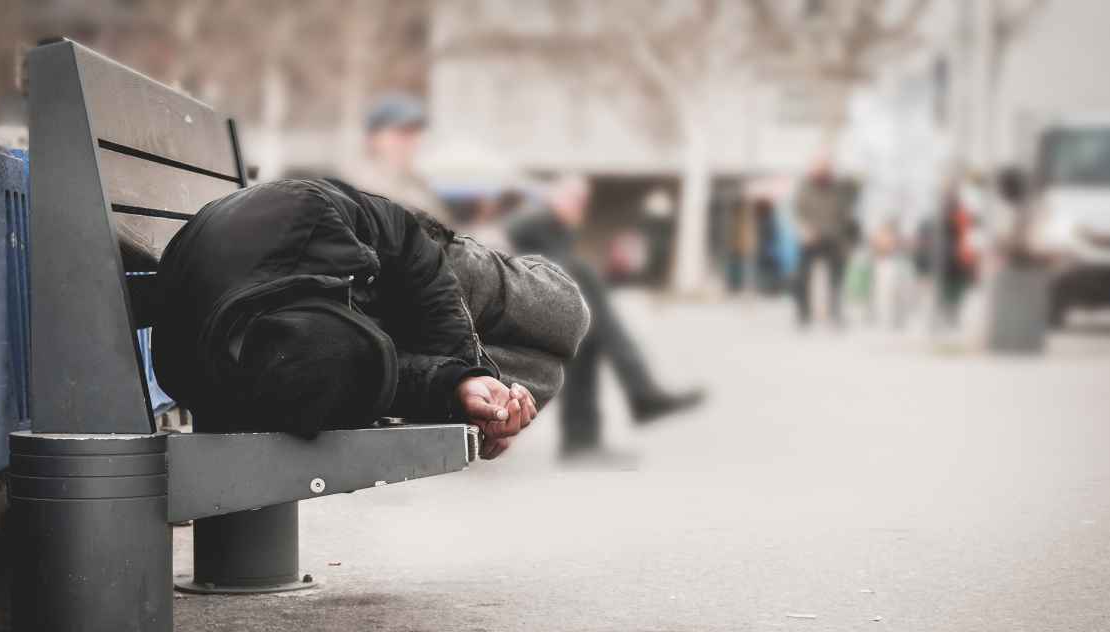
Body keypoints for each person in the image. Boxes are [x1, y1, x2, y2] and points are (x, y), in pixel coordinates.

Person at [152, 178, 588, 459]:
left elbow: (405, 237)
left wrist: (460, 366)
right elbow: (383, 376)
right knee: (542, 373)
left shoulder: (302, 214)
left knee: (567, 315)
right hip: (306, 330)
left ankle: (488, 369)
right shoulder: (290, 377)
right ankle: (492, 396)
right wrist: (461, 393)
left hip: (400, 266)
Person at [507, 176, 704, 458]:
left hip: (551, 308)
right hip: (527, 309)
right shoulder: (534, 223)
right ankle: (639, 395)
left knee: (590, 337)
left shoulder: (556, 229)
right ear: (554, 198)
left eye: (582, 202)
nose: (579, 207)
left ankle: (584, 438)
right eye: (574, 200)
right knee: (592, 309)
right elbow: (527, 254)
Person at [345, 92, 451, 221]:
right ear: (373, 138)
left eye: (415, 133)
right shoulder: (360, 188)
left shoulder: (418, 185)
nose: (411, 141)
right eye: (402, 132)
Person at [793, 158, 853, 326]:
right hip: (810, 237)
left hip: (833, 237)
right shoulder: (805, 187)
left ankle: (835, 313)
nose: (824, 172)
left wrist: (845, 239)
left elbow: (845, 214)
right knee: (802, 276)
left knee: (837, 278)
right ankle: (803, 314)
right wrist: (804, 229)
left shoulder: (838, 188)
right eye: (820, 169)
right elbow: (798, 211)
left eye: (827, 169)